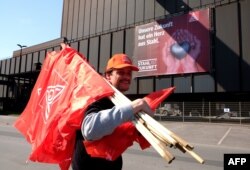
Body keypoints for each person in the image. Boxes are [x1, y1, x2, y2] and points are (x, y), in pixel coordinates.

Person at [72, 53, 154, 170]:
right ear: (108, 76)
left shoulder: (120, 102)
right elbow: (89, 130)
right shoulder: (96, 95)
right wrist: (134, 107)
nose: (126, 77)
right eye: (121, 72)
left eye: (129, 73)